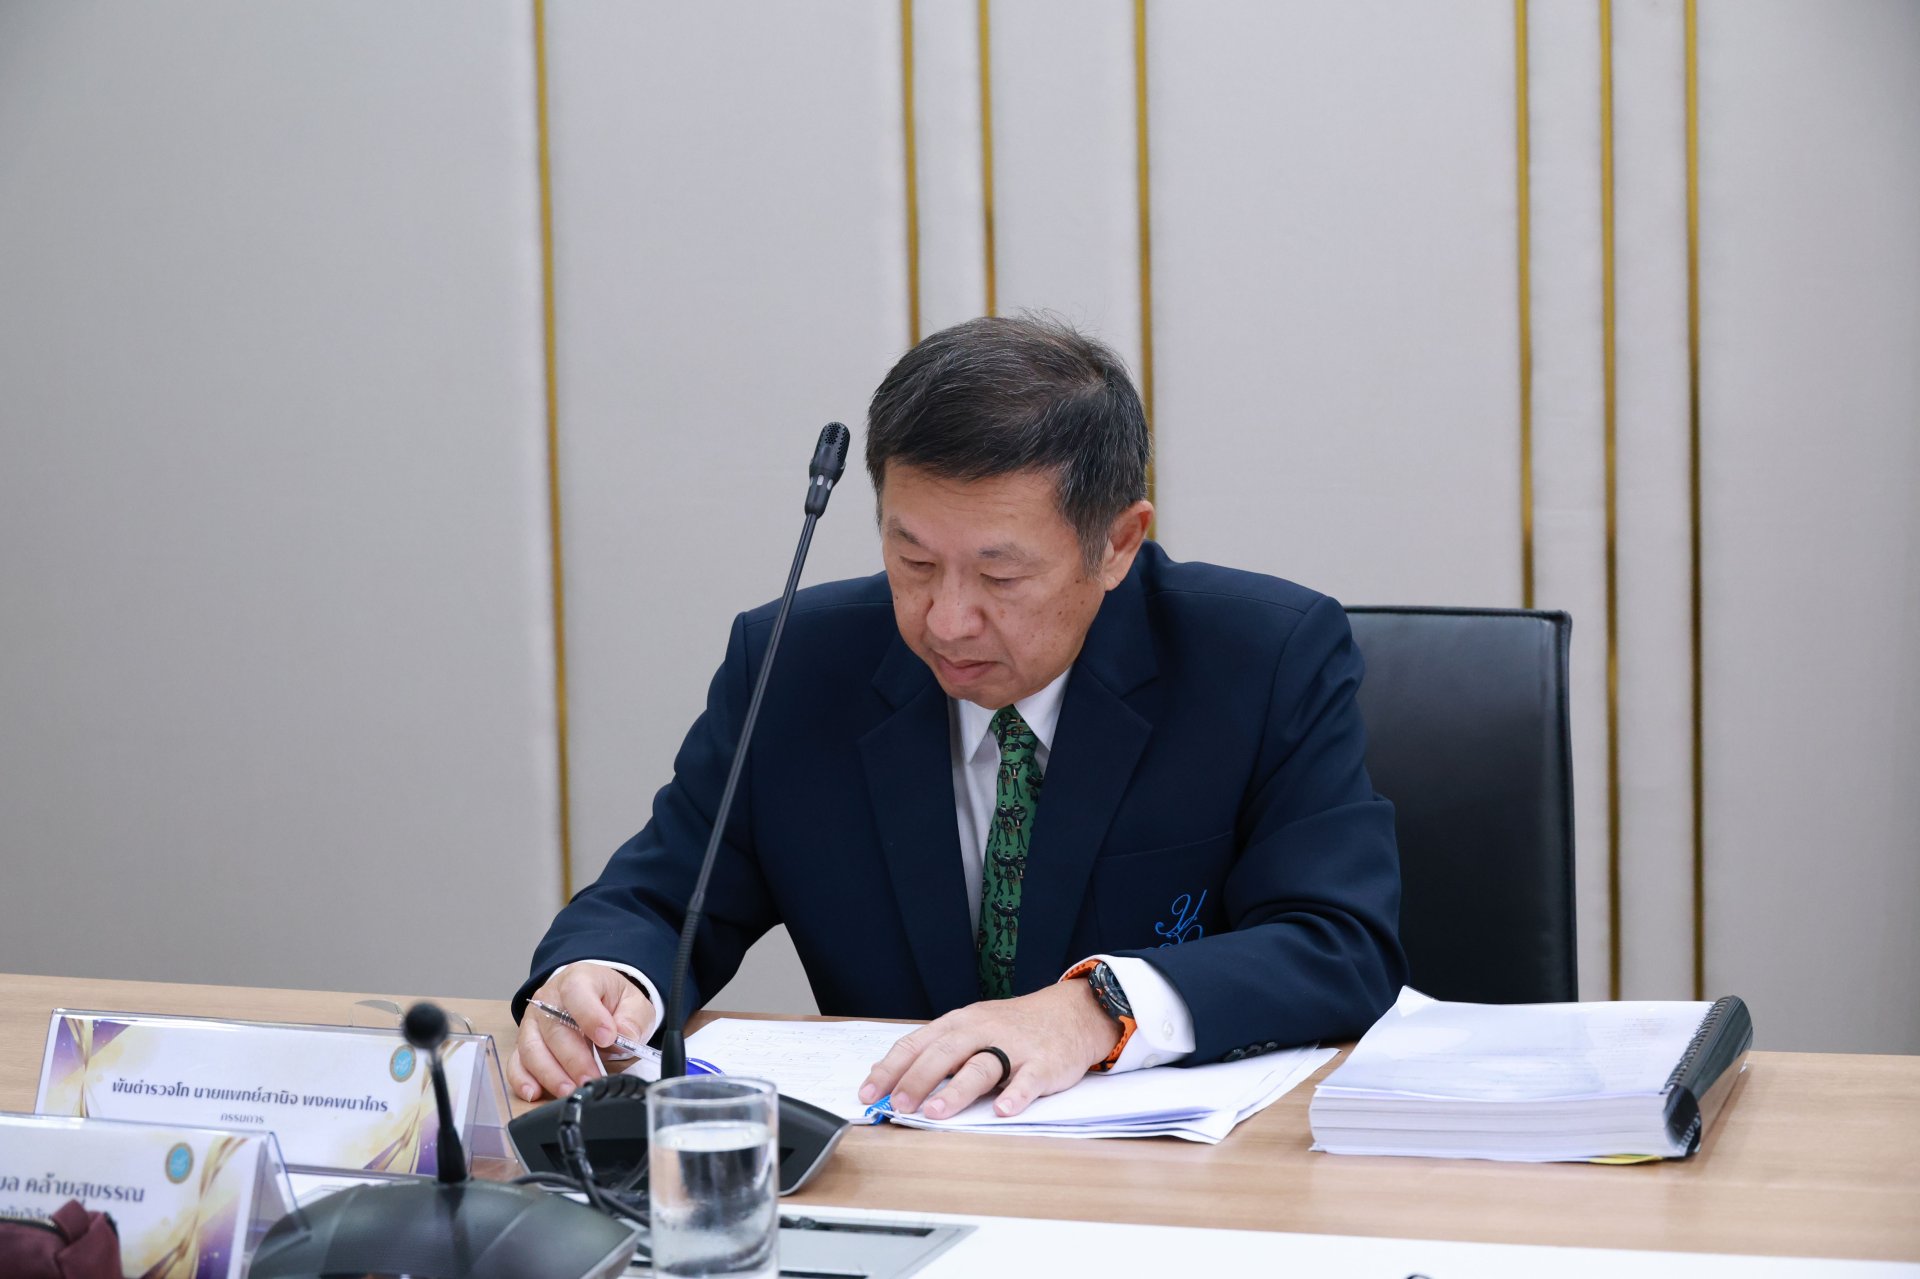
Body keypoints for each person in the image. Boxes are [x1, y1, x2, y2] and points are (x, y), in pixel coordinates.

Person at [509, 315, 1405, 1122]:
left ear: (1119, 542)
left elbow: (1341, 945)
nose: (946, 621)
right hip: (891, 1171)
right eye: (913, 563)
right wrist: (604, 980)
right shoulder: (795, 664)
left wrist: (1096, 1008)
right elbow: (660, 897)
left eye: (1000, 576)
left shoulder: (1258, 659)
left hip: (1172, 1187)